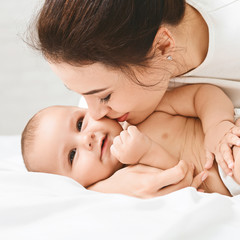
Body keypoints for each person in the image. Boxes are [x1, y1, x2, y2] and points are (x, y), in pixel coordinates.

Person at [27, 0, 240, 195]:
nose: (94, 113)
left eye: (104, 96)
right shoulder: (108, 121)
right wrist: (108, 189)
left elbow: (203, 96)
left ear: (163, 46)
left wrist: (218, 126)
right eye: (81, 94)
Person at [21, 84, 240, 197]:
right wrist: (146, 153)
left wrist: (217, 126)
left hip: (228, 138)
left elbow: (201, 95)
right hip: (229, 178)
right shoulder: (129, 182)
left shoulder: (142, 113)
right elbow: (182, 177)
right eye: (72, 155)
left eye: (79, 124)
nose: (86, 139)